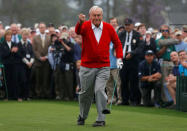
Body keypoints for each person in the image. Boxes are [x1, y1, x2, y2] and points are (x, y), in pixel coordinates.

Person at [75, 6, 123, 127]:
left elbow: (117, 43)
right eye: (94, 15)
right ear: (90, 16)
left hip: (103, 66)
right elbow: (78, 31)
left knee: (99, 90)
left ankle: (101, 119)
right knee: (85, 93)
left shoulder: (108, 27)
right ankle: (82, 115)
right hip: (87, 66)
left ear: (102, 16)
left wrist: (119, 58)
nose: (96, 18)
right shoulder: (85, 25)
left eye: (99, 15)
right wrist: (80, 22)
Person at [118, 18, 143, 106]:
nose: (127, 27)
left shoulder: (137, 35)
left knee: (133, 81)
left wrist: (132, 53)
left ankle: (134, 100)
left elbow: (140, 47)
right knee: (123, 80)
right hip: (122, 60)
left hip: (133, 60)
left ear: (132, 25)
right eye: (126, 25)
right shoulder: (121, 34)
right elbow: (116, 44)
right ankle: (125, 100)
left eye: (129, 25)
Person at [0, 29, 24, 101]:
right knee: (7, 81)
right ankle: (7, 96)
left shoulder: (14, 44)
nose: (9, 37)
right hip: (6, 65)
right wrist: (10, 51)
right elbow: (3, 55)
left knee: (15, 80)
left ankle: (16, 96)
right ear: (5, 36)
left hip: (14, 65)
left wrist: (16, 51)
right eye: (7, 35)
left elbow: (19, 55)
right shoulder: (2, 44)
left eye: (10, 35)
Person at [156, 25, 176, 101]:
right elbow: (158, 54)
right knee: (164, 81)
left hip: (172, 62)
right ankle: (166, 100)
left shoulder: (172, 40)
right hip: (163, 62)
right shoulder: (158, 41)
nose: (165, 32)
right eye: (163, 31)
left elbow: (174, 51)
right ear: (161, 32)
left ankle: (173, 100)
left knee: (172, 81)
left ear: (169, 31)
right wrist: (165, 45)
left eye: (166, 30)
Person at [32, 22, 51, 98]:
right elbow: (35, 49)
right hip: (38, 61)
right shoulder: (35, 38)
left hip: (46, 61)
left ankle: (45, 93)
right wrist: (39, 57)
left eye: (43, 27)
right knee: (38, 78)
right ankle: (38, 94)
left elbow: (50, 49)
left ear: (45, 28)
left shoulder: (49, 37)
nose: (42, 29)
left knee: (46, 78)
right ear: (39, 29)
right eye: (40, 27)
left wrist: (46, 56)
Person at [106, 17, 122, 105]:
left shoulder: (119, 33)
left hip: (116, 63)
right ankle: (111, 99)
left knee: (118, 83)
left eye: (115, 22)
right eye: (112, 22)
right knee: (108, 84)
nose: (114, 23)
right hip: (107, 63)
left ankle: (120, 99)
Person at [20, 28, 35, 100]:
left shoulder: (29, 44)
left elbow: (32, 54)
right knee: (23, 80)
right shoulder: (19, 44)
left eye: (26, 35)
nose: (25, 36)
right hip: (22, 65)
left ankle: (27, 96)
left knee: (28, 80)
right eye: (24, 35)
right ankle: (22, 95)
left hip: (29, 65)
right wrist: (27, 62)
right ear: (21, 35)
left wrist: (31, 62)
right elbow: (20, 55)